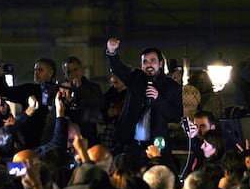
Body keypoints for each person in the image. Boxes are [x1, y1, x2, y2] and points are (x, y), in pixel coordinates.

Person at [106, 37, 183, 171]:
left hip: (156, 146)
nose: (148, 65)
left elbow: (176, 115)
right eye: (145, 61)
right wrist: (112, 52)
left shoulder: (172, 87)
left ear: (160, 63)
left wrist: (158, 99)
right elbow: (119, 69)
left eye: (152, 61)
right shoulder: (136, 78)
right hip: (131, 145)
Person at [0, 58, 57, 149]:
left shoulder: (59, 91)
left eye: (40, 70)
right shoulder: (29, 90)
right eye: (35, 70)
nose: (36, 73)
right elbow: (6, 92)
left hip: (52, 139)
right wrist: (0, 77)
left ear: (50, 73)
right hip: (30, 141)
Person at [59, 56, 104, 147]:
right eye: (69, 71)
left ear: (81, 70)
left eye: (75, 70)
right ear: (65, 74)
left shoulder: (94, 88)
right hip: (67, 139)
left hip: (89, 137)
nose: (73, 74)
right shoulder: (61, 90)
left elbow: (100, 106)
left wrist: (80, 89)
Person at [99, 73, 127, 149]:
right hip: (108, 137)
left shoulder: (130, 95)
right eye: (112, 75)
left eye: (117, 75)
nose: (113, 78)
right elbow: (100, 116)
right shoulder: (109, 94)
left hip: (124, 140)